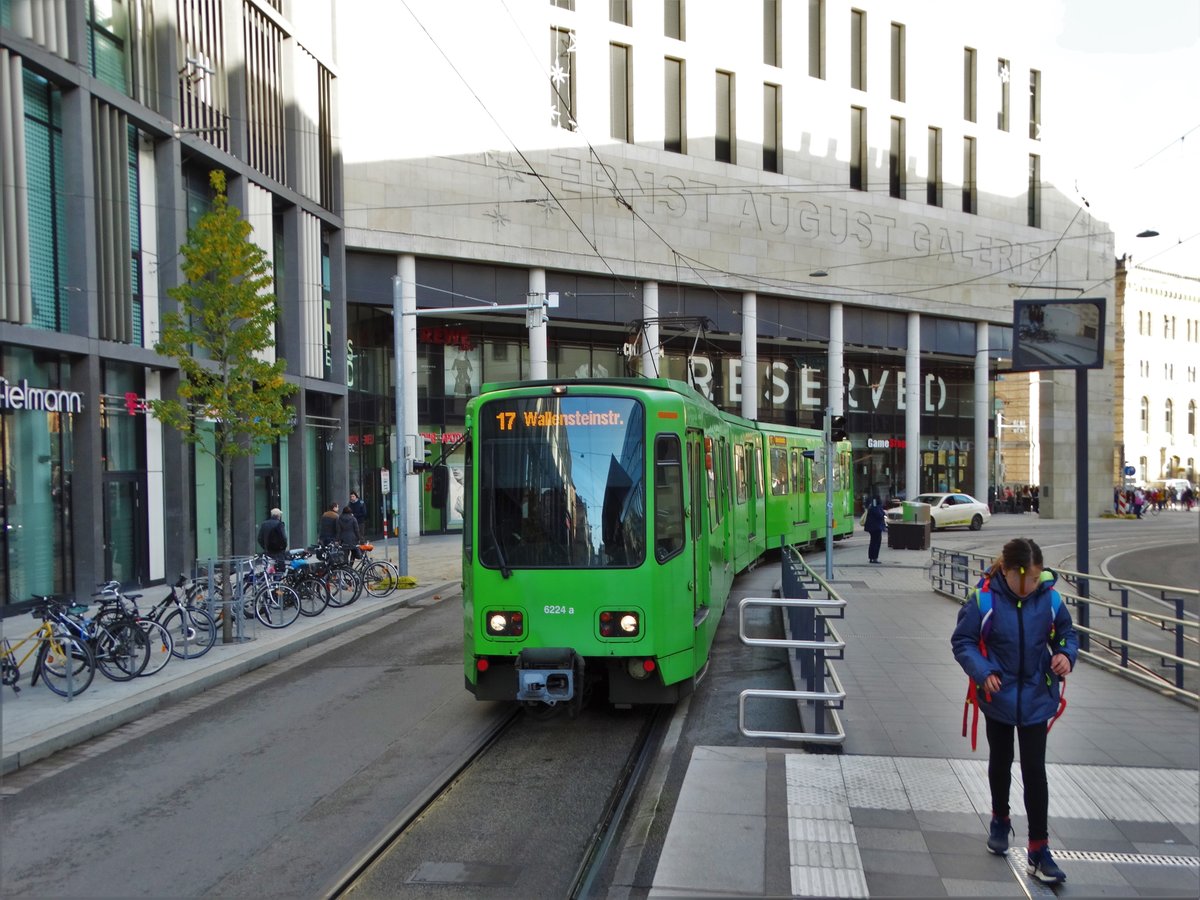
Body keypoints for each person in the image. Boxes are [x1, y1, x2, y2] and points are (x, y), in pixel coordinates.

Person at [951, 538, 1078, 884]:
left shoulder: (1050, 599)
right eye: (1022, 579)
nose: (1028, 586)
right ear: (1005, 570)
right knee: (1002, 759)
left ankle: (1039, 849)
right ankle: (1000, 819)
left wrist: (1065, 654)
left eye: (1034, 579)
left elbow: (1067, 634)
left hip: (1037, 696)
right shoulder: (984, 600)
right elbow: (962, 641)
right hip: (998, 695)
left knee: (1035, 769)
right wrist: (983, 671)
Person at [863, 497, 886, 564]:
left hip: (871, 527)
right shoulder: (877, 507)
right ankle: (875, 558)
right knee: (877, 542)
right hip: (876, 527)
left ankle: (871, 557)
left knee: (872, 542)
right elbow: (880, 515)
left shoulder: (870, 506)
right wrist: (884, 513)